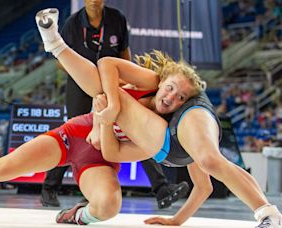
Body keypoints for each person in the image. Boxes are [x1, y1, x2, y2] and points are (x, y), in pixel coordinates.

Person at [34, 8, 282, 227]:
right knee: (209, 159)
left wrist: (106, 115)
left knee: (208, 158)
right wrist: (177, 220)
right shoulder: (156, 97)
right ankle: (267, 211)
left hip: (174, 138)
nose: (170, 97)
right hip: (170, 146)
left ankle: (55, 44)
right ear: (163, 82)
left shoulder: (169, 102)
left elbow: (108, 65)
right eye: (170, 89)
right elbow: (204, 186)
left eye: (178, 96)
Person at [41, 0, 188, 210]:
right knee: (74, 132)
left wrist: (122, 81)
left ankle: (161, 188)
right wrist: (89, 75)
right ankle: (49, 188)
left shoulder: (116, 18)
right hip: (82, 82)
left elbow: (124, 54)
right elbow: (62, 62)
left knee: (138, 131)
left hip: (113, 81)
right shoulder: (73, 22)